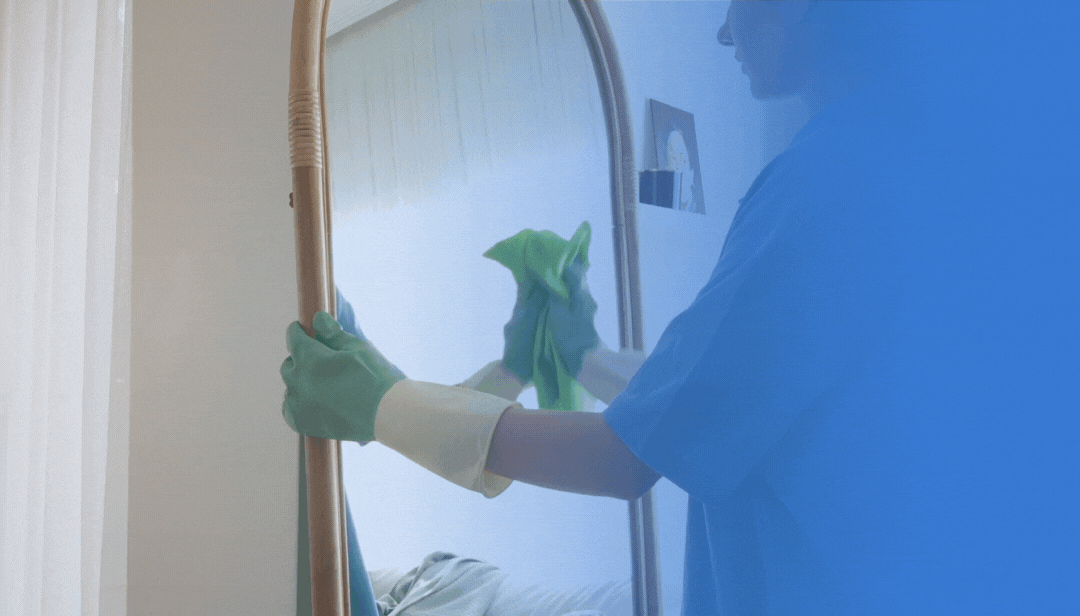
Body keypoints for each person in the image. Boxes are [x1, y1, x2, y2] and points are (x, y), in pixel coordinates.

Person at [283, 2, 935, 614]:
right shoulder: (895, 166)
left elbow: (625, 457)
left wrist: (382, 403)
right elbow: (711, 406)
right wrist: (578, 359)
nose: (724, 32)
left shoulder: (826, 185)